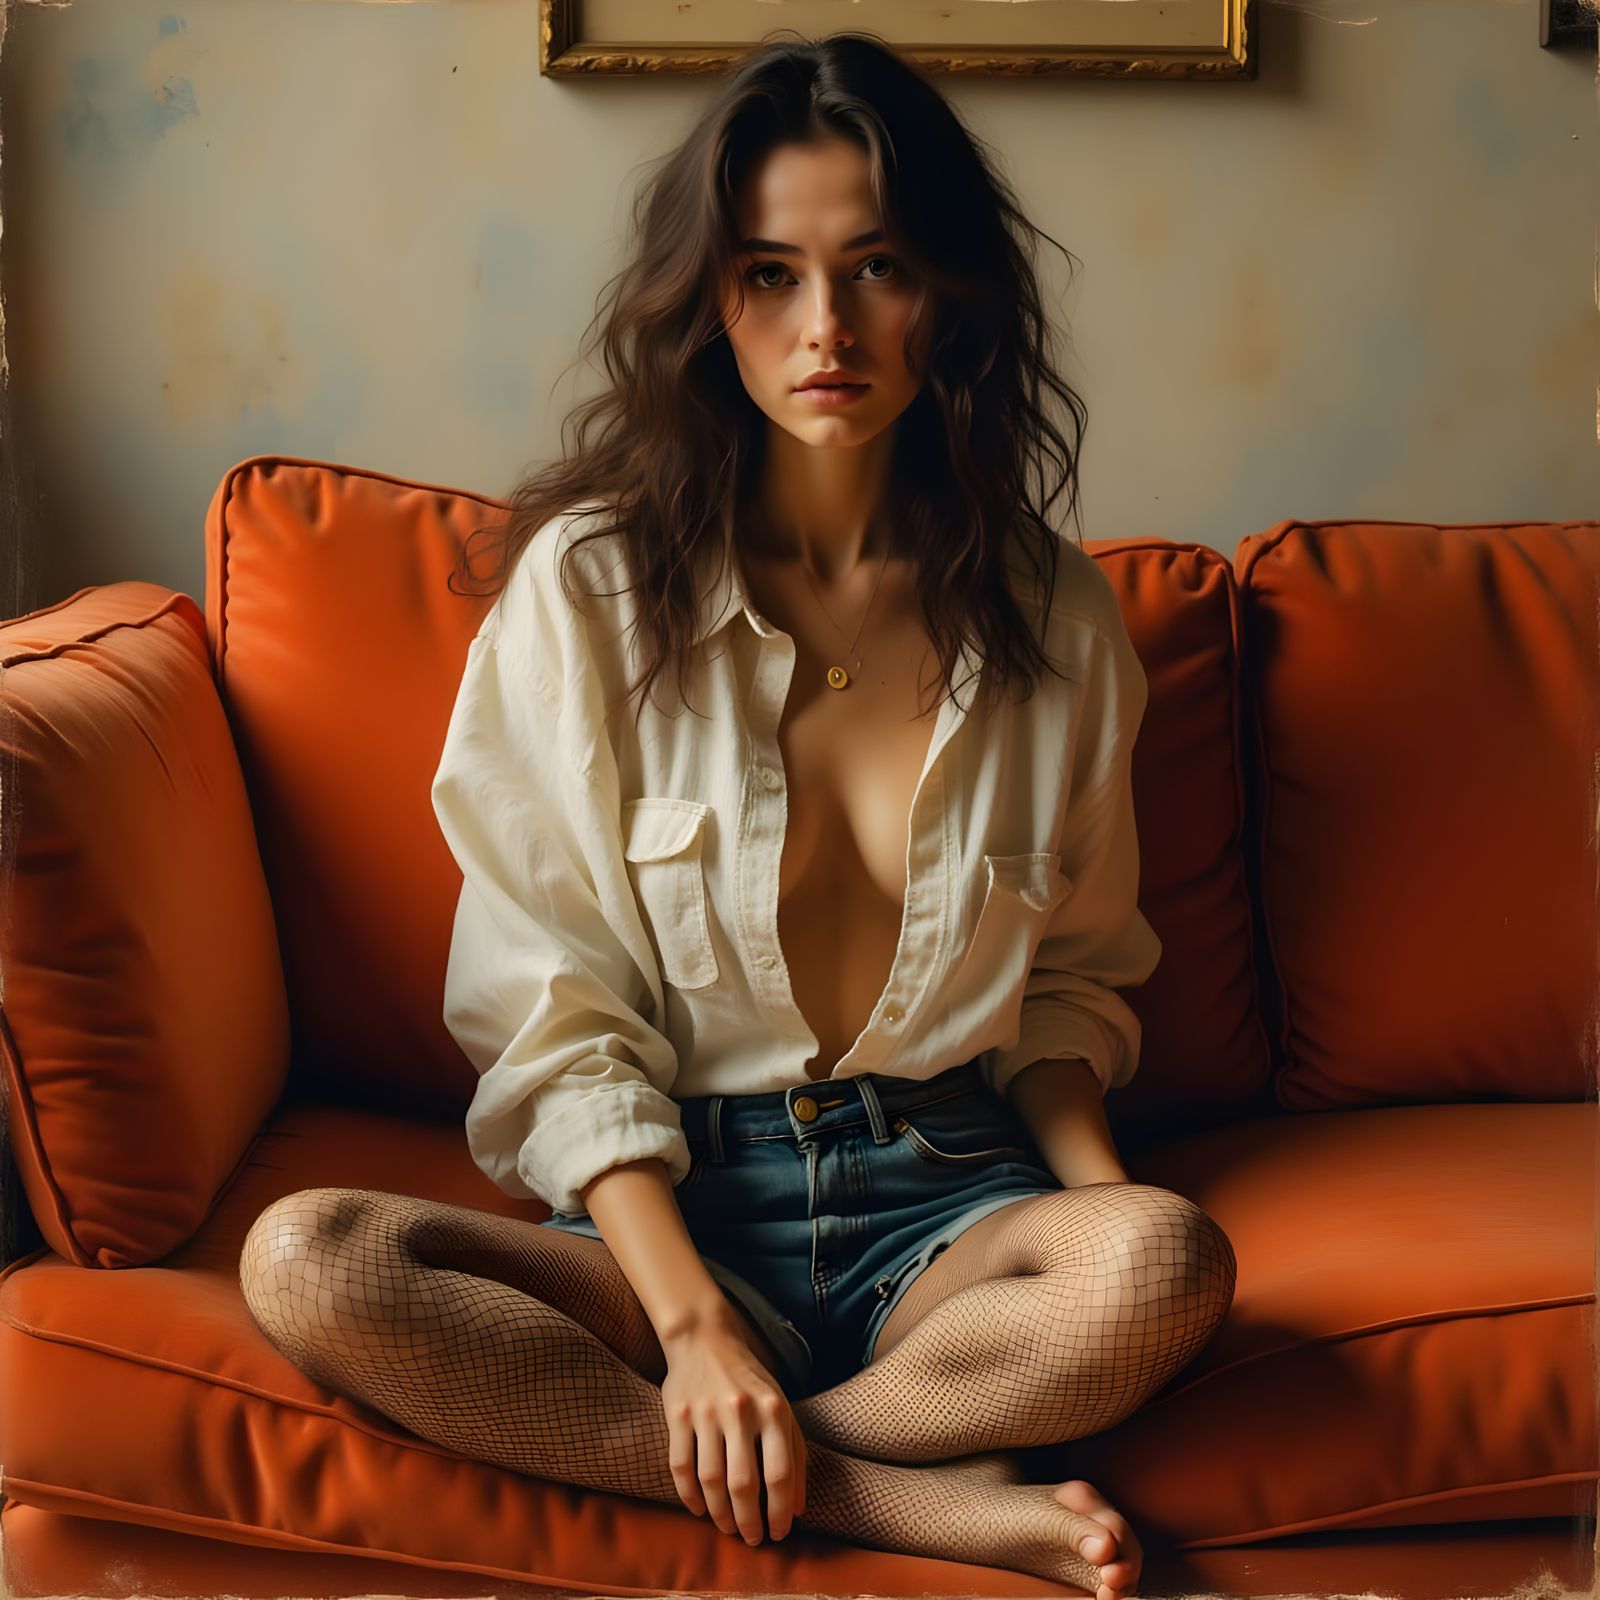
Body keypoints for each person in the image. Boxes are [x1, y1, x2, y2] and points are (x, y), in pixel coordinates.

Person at [238, 30, 1237, 1599]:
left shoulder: (1056, 620)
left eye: (876, 267)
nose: (824, 326)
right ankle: (906, 1498)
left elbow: (1069, 983)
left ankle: (787, 1456)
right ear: (709, 300)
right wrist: (695, 1326)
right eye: (770, 272)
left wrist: (1114, 1227)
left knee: (1168, 1260)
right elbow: (551, 1009)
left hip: (952, 1199)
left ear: (950, 294)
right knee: (312, 1260)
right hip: (673, 1201)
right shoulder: (591, 594)